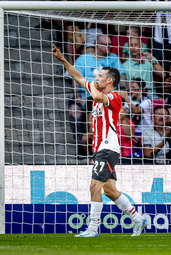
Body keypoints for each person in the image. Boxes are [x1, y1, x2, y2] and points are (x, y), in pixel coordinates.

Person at [52, 44, 148, 237]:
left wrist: (93, 86)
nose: (96, 78)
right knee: (111, 191)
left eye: (100, 76)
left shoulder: (113, 96)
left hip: (107, 147)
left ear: (110, 80)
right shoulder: (99, 91)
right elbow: (78, 76)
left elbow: (95, 94)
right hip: (100, 148)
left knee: (94, 186)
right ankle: (139, 220)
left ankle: (92, 229)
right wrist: (63, 60)